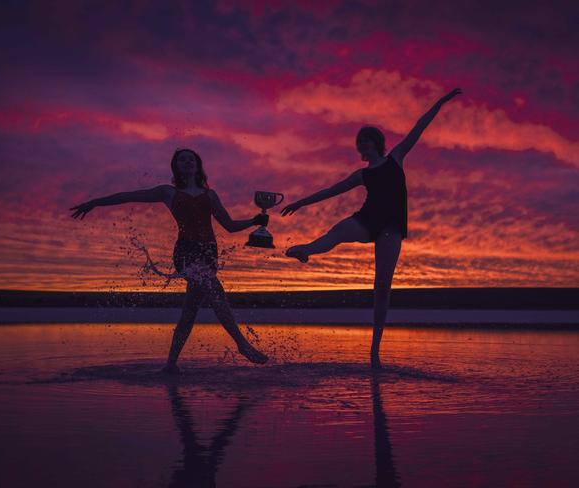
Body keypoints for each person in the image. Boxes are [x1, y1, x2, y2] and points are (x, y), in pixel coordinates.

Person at [281, 88, 462, 367]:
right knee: (338, 231)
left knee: (381, 287)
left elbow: (419, 127)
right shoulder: (362, 174)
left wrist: (440, 102)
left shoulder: (396, 158)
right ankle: (306, 250)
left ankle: (374, 350)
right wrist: (301, 203)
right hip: (367, 219)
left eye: (366, 142)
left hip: (391, 227)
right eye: (360, 144)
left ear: (377, 143)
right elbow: (331, 190)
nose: (362, 147)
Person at [71, 148, 269, 373]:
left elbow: (230, 226)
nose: (187, 162)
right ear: (176, 167)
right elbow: (128, 195)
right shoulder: (168, 192)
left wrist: (255, 221)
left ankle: (170, 365)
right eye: (182, 160)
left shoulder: (210, 195)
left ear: (198, 165)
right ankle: (242, 344)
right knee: (215, 291)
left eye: (191, 159)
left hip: (209, 253)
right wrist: (95, 202)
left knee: (190, 311)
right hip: (186, 252)